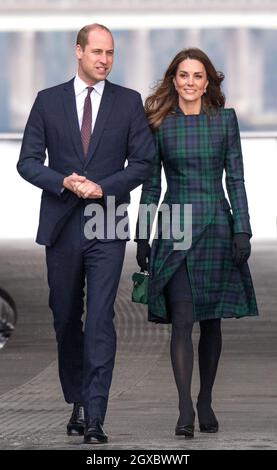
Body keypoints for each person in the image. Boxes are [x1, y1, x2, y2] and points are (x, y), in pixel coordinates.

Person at [17, 23, 155, 444]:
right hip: (61, 225)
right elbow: (27, 161)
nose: (105, 60)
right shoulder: (47, 101)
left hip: (107, 222)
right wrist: (64, 181)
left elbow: (143, 163)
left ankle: (95, 413)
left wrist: (102, 187)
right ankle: (77, 400)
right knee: (64, 318)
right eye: (97, 52)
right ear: (78, 51)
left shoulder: (128, 103)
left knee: (99, 320)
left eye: (110, 53)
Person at [136, 48, 258, 439]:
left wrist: (244, 229)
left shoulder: (225, 122)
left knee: (211, 321)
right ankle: (185, 406)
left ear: (208, 83)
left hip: (218, 228)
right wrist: (142, 233)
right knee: (182, 321)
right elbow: (152, 185)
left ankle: (205, 399)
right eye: (184, 75)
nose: (190, 82)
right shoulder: (159, 124)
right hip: (175, 231)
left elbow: (235, 179)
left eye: (197, 76)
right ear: (174, 80)